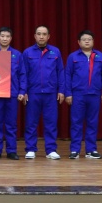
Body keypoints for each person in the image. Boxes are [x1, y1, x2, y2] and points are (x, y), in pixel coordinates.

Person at [65, 30, 102, 159]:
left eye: (89, 39)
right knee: (76, 122)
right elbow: (67, 75)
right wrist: (68, 93)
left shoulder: (100, 56)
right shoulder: (73, 57)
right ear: (78, 42)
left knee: (92, 122)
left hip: (94, 94)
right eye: (84, 39)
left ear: (93, 42)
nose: (87, 41)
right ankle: (75, 150)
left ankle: (91, 150)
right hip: (78, 94)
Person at [22, 25, 65, 160]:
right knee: (31, 122)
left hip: (50, 93)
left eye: (44, 34)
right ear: (35, 36)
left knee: (51, 122)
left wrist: (61, 90)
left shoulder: (55, 52)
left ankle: (51, 150)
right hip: (33, 92)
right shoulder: (27, 52)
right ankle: (30, 149)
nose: (41, 36)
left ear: (48, 36)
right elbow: (23, 73)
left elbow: (60, 72)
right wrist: (24, 91)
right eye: (39, 34)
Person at [0, 27, 26, 160]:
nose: (5, 39)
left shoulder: (17, 54)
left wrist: (22, 91)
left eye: (7, 36)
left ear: (11, 38)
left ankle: (11, 150)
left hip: (12, 93)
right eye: (2, 36)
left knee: (11, 124)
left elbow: (22, 74)